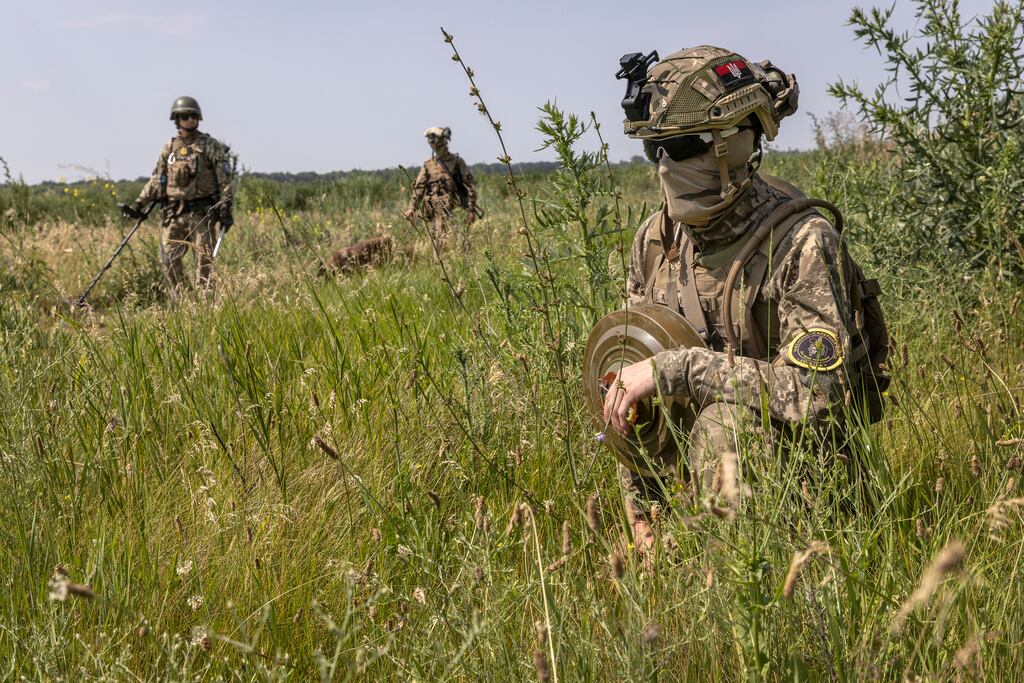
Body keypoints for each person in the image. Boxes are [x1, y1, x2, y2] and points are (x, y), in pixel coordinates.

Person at [600, 46, 888, 550]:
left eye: (682, 144)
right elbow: (633, 385)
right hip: (699, 482)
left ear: (731, 144)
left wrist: (680, 369)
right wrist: (641, 508)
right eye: (655, 149)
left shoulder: (801, 244)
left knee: (721, 424)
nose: (666, 166)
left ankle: (747, 594)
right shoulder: (656, 241)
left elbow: (816, 397)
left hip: (812, 482)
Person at [122, 96, 234, 292]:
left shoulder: (209, 145)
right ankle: (185, 304)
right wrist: (139, 203)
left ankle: (206, 309)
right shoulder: (170, 147)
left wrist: (226, 205)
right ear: (177, 119)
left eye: (193, 115)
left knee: (204, 264)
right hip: (174, 215)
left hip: (202, 215)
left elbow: (224, 178)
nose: (190, 119)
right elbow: (158, 179)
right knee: (169, 261)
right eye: (185, 116)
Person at [403, 127, 477, 250]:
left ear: (445, 143)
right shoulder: (428, 165)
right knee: (438, 248)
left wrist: (471, 210)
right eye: (435, 147)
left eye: (439, 145)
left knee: (461, 245)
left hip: (455, 211)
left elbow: (471, 186)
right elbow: (419, 188)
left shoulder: (457, 162)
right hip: (435, 213)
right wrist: (412, 208)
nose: (437, 149)